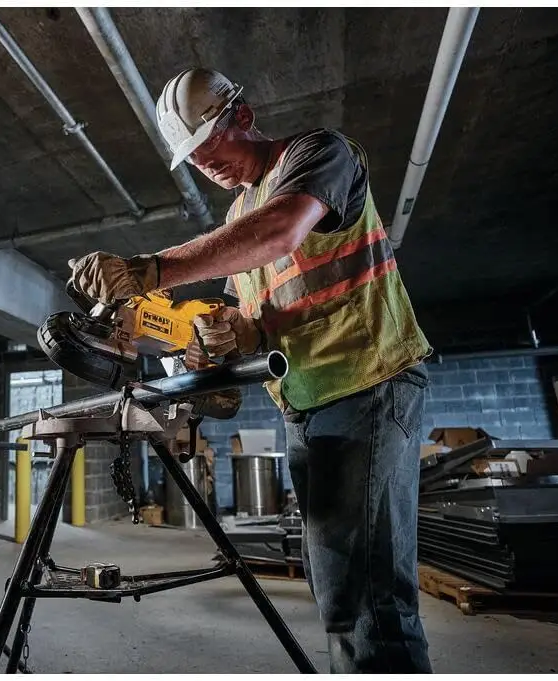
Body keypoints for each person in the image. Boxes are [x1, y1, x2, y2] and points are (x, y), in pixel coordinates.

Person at [67, 67, 434, 673]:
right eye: (192, 155)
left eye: (209, 142)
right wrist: (215, 341)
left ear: (242, 116)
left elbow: (281, 232)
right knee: (339, 592)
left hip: (370, 384)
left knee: (370, 603)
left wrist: (150, 269)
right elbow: (254, 326)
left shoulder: (318, 155)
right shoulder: (242, 218)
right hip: (309, 405)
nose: (204, 162)